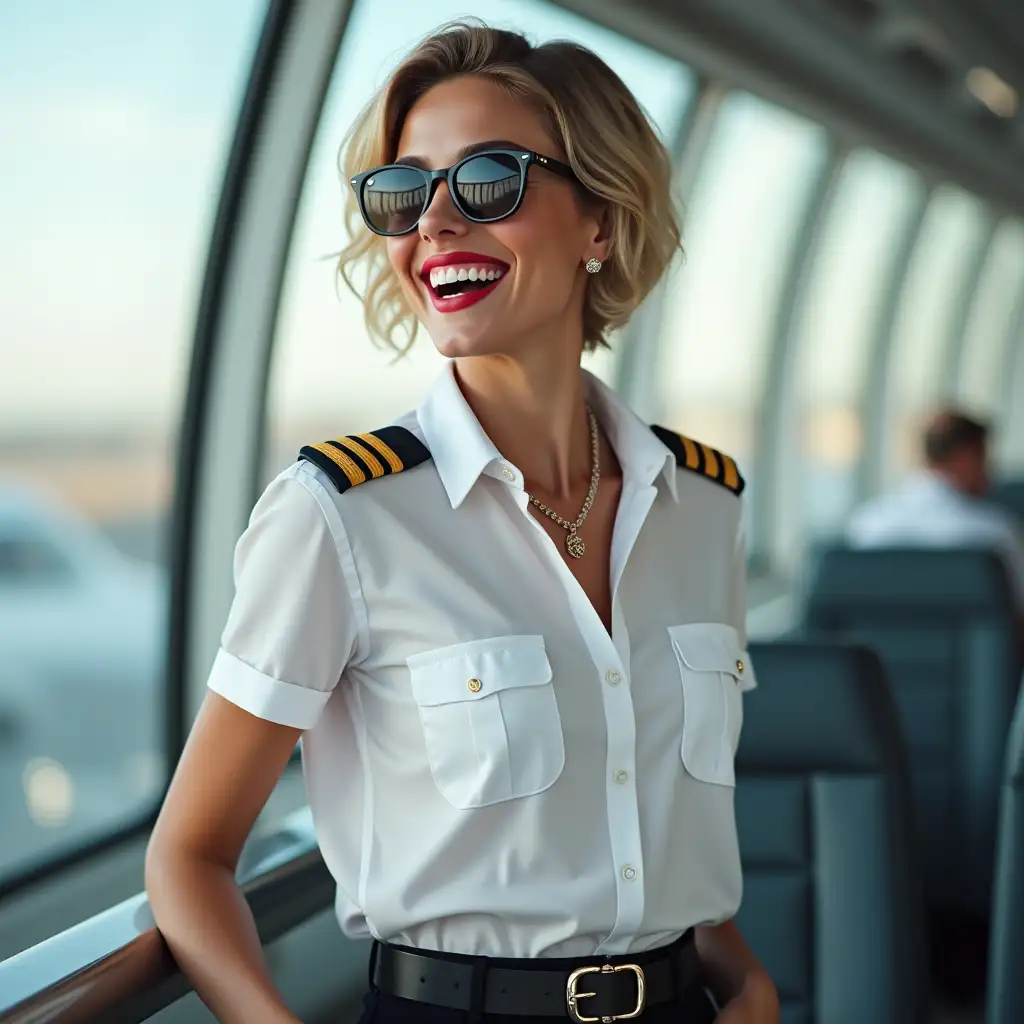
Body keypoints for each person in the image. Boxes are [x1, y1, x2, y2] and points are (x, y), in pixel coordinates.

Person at [145, 20, 777, 1024]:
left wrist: (742, 975)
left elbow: (651, 812)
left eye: (489, 180)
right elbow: (189, 854)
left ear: (601, 222)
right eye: (403, 194)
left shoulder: (702, 507)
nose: (433, 224)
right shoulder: (341, 516)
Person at [847, 409, 1024, 614]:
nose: (990, 471)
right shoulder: (992, 533)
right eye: (984, 458)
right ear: (965, 456)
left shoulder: (868, 524)